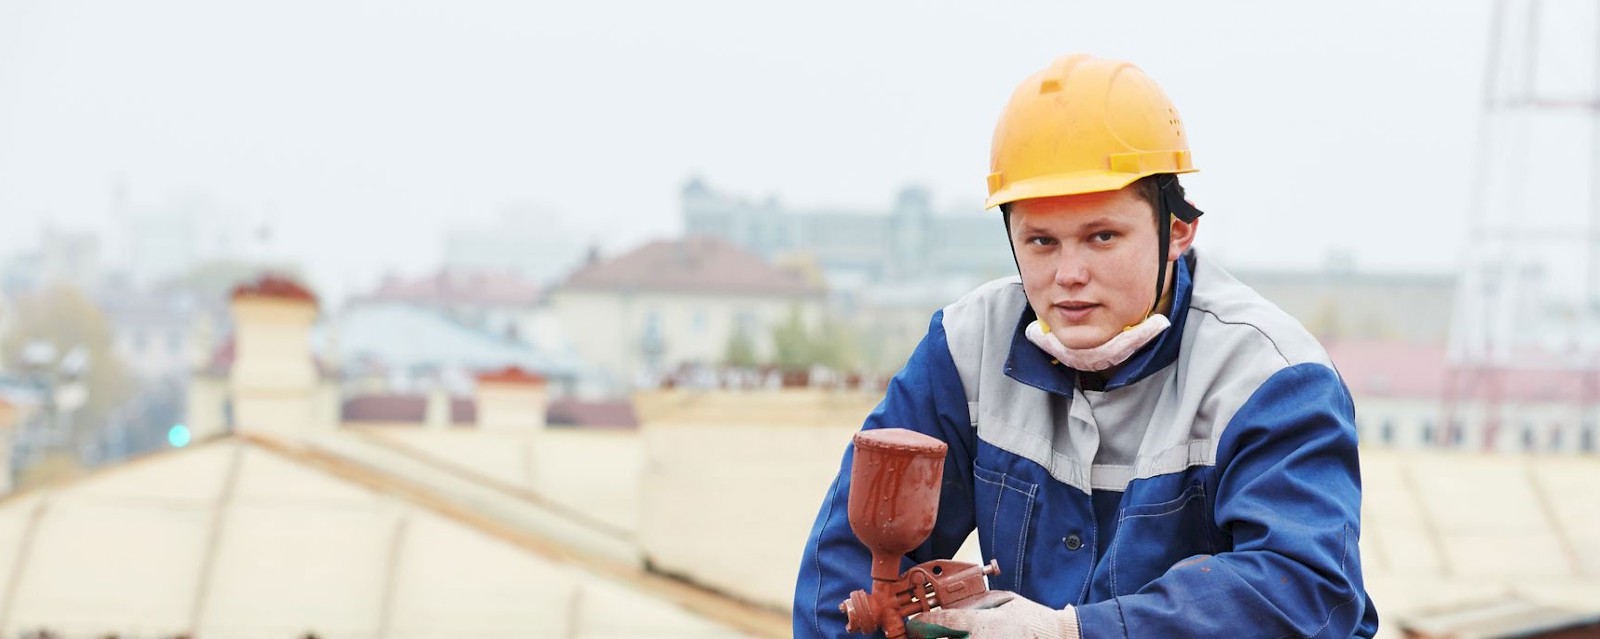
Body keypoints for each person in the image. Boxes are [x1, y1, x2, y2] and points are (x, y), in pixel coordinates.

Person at [793, 54, 1379, 639]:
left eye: (1102, 236)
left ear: (1177, 229)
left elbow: (1303, 591)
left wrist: (1072, 633)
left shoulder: (1269, 376)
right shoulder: (965, 348)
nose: (1069, 274)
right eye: (1041, 241)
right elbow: (845, 571)